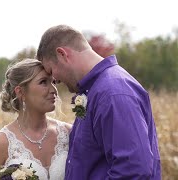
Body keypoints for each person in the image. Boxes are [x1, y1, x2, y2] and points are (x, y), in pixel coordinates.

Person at [36, 25, 161, 179]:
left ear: (62, 54)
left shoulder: (113, 93)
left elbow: (133, 171)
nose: (55, 80)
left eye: (51, 71)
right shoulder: (96, 90)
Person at [0, 58, 72, 180]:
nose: (53, 90)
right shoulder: (1, 144)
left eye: (53, 82)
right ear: (20, 92)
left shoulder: (68, 133)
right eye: (43, 82)